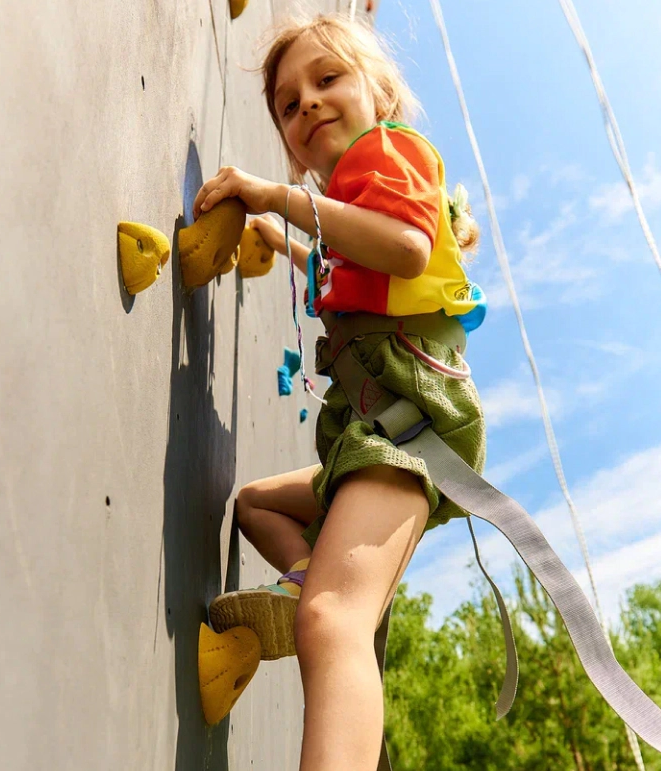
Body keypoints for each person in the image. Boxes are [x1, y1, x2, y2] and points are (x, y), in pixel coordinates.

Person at [191, 12, 486, 771]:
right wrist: (286, 241)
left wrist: (275, 200)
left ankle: (323, 605)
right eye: (288, 104)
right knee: (258, 504)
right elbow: (349, 269)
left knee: (334, 621)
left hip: (410, 430)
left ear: (379, 93)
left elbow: (405, 247)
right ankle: (304, 583)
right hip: (369, 442)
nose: (309, 104)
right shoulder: (347, 205)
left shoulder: (391, 153)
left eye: (328, 80)